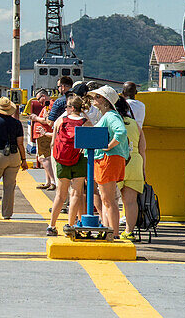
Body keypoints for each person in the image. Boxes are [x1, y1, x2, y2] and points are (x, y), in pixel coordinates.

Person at [88, 85, 129, 237]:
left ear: (105, 101)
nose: (94, 99)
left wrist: (108, 146)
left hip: (108, 159)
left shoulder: (111, 116)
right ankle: (110, 229)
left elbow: (121, 132)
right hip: (107, 159)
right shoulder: (108, 116)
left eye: (97, 97)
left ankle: (114, 232)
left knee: (108, 199)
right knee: (106, 199)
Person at [46, 94, 89, 235]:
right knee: (76, 193)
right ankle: (70, 225)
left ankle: (51, 226)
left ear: (71, 108)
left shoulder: (61, 120)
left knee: (60, 194)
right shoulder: (85, 121)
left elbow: (53, 143)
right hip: (79, 159)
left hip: (62, 160)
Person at [118, 97, 147, 242]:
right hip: (135, 162)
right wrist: (143, 169)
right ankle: (129, 231)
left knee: (109, 200)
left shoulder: (112, 122)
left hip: (117, 162)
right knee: (130, 201)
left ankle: (112, 229)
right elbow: (143, 149)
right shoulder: (136, 125)